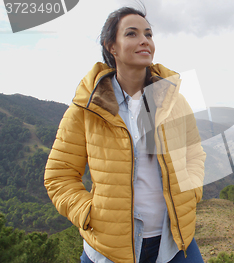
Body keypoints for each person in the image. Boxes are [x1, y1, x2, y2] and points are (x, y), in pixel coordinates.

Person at [44, 6, 206, 263]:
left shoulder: (174, 101)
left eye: (149, 34)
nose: (144, 40)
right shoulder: (86, 109)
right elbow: (59, 176)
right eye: (132, 34)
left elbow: (194, 153)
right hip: (110, 250)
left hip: (174, 242)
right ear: (112, 47)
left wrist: (192, 191)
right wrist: (90, 214)